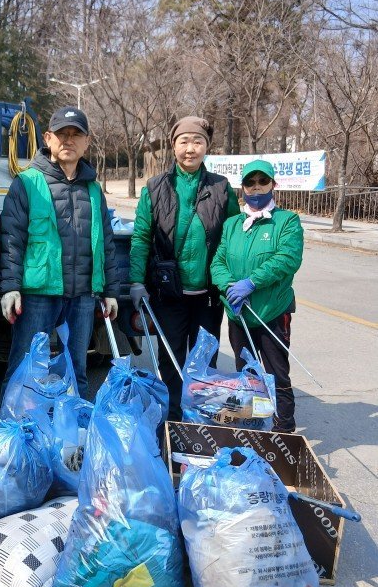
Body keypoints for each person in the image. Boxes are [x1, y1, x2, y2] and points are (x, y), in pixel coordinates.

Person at [0, 105, 119, 399]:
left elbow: (105, 241)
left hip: (82, 296)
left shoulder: (93, 189)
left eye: (76, 135)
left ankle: (73, 424)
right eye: (61, 134)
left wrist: (110, 291)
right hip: (38, 294)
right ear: (48, 138)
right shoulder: (27, 183)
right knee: (25, 367)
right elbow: (12, 239)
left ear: (86, 142)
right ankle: (14, 423)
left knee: (76, 369)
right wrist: (10, 287)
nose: (68, 140)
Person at [129, 115, 240, 420]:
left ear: (207, 146)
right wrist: (136, 281)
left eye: (198, 141)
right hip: (169, 293)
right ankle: (172, 423)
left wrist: (233, 280)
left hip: (208, 295)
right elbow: (141, 237)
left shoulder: (221, 187)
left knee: (205, 362)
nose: (190, 148)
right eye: (184, 141)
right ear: (173, 145)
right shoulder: (155, 187)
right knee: (170, 361)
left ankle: (201, 424)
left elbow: (233, 237)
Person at [211, 158, 304, 433]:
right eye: (250, 182)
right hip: (239, 315)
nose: (256, 187)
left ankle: (283, 429)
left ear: (273, 184)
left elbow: (287, 258)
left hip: (271, 312)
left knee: (277, 373)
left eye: (263, 181)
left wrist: (252, 283)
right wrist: (229, 287)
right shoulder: (232, 224)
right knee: (246, 373)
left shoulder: (287, 221)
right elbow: (218, 262)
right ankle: (252, 426)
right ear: (243, 187)